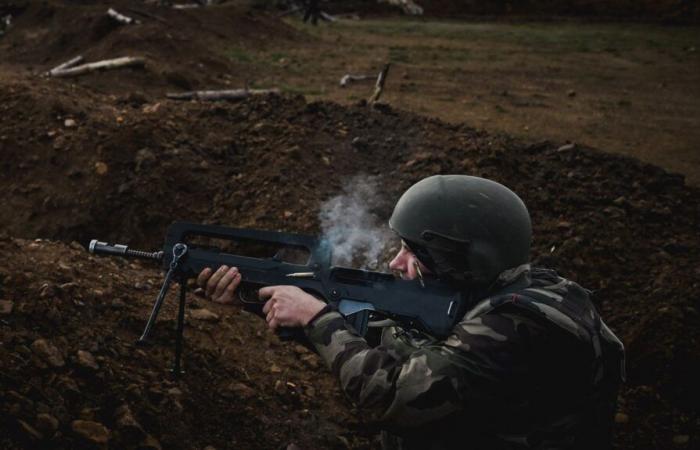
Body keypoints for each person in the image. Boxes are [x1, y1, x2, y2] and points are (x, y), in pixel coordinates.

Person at [197, 175, 625, 449]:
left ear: (459, 259)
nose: (395, 263)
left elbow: (399, 395)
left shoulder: (513, 324)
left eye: (412, 251)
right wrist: (261, 301)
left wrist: (316, 318)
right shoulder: (520, 289)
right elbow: (391, 338)